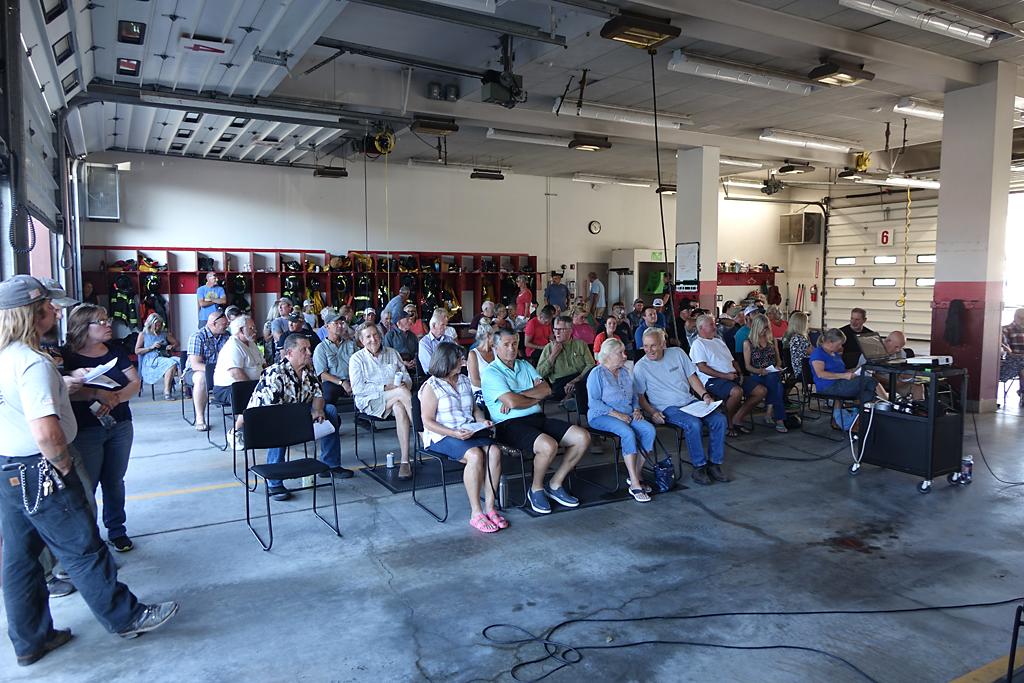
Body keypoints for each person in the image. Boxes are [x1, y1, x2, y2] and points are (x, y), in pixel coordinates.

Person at [0, 276, 179, 665]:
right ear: (31, 313)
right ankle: (126, 617)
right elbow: (46, 433)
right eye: (48, 306)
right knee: (83, 547)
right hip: (40, 468)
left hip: (9, 468)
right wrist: (64, 468)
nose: (56, 312)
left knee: (19, 558)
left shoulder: (7, 356)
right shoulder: (31, 362)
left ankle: (31, 640)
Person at [481, 327, 591, 515]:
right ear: (496, 347)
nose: (511, 348)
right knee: (548, 446)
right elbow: (513, 403)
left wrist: (518, 396)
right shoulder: (491, 373)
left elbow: (546, 390)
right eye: (506, 345)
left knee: (582, 437)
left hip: (537, 419)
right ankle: (536, 488)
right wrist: (530, 397)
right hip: (509, 425)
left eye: (514, 344)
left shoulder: (524, 365)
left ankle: (555, 484)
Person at [63, 304, 143, 552]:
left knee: (115, 481)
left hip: (120, 424)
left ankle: (117, 530)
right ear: (83, 327)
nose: (108, 324)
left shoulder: (115, 352)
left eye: (107, 320)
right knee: (88, 485)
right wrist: (95, 394)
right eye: (101, 321)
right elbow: (63, 392)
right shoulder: (67, 357)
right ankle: (89, 537)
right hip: (86, 429)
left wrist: (114, 399)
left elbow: (134, 383)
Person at [247, 334, 351, 501]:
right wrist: (306, 417)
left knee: (330, 410)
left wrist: (318, 411)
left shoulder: (309, 368)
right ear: (289, 353)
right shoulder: (275, 372)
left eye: (309, 348)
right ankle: (274, 481)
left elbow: (318, 395)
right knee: (279, 426)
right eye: (303, 350)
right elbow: (274, 412)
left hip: (298, 411)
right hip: (270, 418)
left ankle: (330, 464)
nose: (309, 352)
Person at [418, 342, 505, 533]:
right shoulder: (431, 386)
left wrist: (482, 421)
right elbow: (427, 422)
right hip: (442, 435)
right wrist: (454, 433)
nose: (463, 362)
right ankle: (476, 512)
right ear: (447, 362)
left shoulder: (464, 380)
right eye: (459, 359)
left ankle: (490, 508)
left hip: (468, 430)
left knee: (494, 452)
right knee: (475, 455)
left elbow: (474, 410)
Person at [634, 327, 728, 486]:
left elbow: (692, 378)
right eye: (646, 346)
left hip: (689, 401)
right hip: (666, 408)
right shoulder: (640, 367)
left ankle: (714, 463)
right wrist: (653, 411)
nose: (649, 350)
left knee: (719, 420)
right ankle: (699, 466)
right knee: (693, 424)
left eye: (653, 345)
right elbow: (640, 398)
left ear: (663, 344)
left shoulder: (677, 353)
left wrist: (705, 396)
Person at [587, 338, 656, 502]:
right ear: (609, 355)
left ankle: (637, 473)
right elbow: (594, 403)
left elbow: (633, 397)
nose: (624, 356)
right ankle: (634, 482)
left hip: (627, 414)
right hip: (601, 416)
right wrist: (618, 415)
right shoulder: (597, 373)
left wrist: (636, 409)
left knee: (649, 430)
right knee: (627, 433)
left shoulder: (624, 372)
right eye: (620, 353)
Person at [350, 323, 414, 479]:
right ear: (362, 341)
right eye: (368, 337)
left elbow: (407, 378)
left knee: (399, 407)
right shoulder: (356, 359)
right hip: (370, 401)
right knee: (400, 393)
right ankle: (423, 432)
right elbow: (357, 389)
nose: (373, 339)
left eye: (375, 335)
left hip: (395, 398)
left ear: (380, 336)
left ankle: (405, 461)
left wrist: (405, 384)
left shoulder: (393, 353)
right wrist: (385, 387)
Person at [689, 314, 767, 437]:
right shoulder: (698, 344)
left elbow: (732, 361)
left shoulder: (718, 341)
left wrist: (740, 373)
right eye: (711, 325)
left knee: (760, 391)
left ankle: (737, 417)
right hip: (712, 379)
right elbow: (702, 367)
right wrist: (725, 376)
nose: (715, 327)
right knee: (737, 392)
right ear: (701, 328)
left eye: (714, 324)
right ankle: (729, 422)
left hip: (731, 375)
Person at [213, 316, 266, 447]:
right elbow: (236, 373)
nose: (255, 331)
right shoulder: (233, 346)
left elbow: (264, 365)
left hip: (253, 384)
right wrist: (255, 390)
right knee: (253, 398)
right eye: (251, 328)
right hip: (228, 387)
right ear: (241, 330)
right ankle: (235, 432)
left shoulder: (251, 343)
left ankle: (264, 430)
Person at [810, 328, 882, 406]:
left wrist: (856, 369)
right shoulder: (818, 353)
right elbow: (820, 374)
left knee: (869, 394)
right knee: (870, 381)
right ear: (829, 342)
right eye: (838, 344)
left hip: (841, 382)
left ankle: (858, 413)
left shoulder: (834, 352)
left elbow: (840, 371)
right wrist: (844, 376)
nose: (840, 346)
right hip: (828, 385)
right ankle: (888, 406)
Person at [184, 309, 230, 432]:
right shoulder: (197, 337)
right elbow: (195, 365)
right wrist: (217, 371)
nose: (227, 326)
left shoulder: (226, 336)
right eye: (224, 324)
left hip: (218, 370)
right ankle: (200, 417)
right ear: (214, 324)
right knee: (201, 378)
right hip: (194, 372)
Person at [743, 314, 788, 433]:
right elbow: (747, 366)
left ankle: (770, 412)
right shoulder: (748, 343)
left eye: (767, 327)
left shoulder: (772, 340)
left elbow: (778, 359)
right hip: (757, 375)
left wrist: (777, 366)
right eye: (763, 328)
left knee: (773, 378)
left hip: (772, 373)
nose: (765, 330)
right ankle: (778, 418)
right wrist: (760, 371)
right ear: (756, 328)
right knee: (778, 386)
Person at [537, 315, 596, 402]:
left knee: (591, 379)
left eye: (561, 329)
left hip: (580, 378)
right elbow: (539, 373)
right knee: (580, 391)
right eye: (555, 329)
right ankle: (572, 397)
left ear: (570, 331)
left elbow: (591, 365)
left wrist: (576, 380)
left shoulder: (581, 344)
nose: (557, 333)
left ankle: (570, 397)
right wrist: (553, 355)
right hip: (561, 383)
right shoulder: (549, 348)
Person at [313, 313, 357, 405]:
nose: (340, 326)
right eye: (336, 323)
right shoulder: (321, 348)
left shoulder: (350, 344)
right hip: (334, 382)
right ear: (327, 326)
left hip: (353, 380)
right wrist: (342, 383)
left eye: (341, 323)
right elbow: (322, 375)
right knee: (328, 395)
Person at [135, 313, 179, 400]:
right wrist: (151, 347)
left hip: (164, 356)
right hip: (150, 360)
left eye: (159, 325)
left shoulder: (163, 333)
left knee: (179, 361)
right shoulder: (143, 334)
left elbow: (177, 342)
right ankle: (167, 390)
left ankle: (184, 390)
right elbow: (137, 351)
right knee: (171, 363)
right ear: (150, 325)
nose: (158, 328)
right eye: (155, 326)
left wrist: (172, 346)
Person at [418, 308, 457, 373]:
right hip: (434, 375)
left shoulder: (449, 339)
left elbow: (461, 356)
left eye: (446, 325)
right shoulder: (424, 343)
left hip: (452, 372)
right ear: (433, 325)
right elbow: (432, 366)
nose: (446, 328)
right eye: (443, 325)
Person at [467, 323, 495, 404]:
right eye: (496, 335)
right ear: (488, 336)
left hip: (496, 390)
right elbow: (475, 381)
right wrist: (496, 386)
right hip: (480, 391)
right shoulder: (473, 354)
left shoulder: (496, 351)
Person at [1001, 308, 1024, 405]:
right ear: (1015, 317)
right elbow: (1007, 350)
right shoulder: (1006, 329)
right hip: (1013, 358)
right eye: (1022, 318)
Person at [785, 311, 812, 378]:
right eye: (807, 322)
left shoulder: (796, 337)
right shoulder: (798, 339)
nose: (808, 323)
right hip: (803, 371)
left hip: (804, 369)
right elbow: (815, 352)